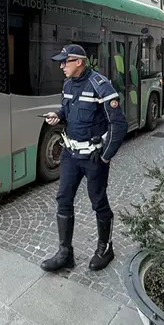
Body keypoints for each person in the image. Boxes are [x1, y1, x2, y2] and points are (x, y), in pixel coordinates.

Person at [41, 44, 128, 272]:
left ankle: (105, 248)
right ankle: (65, 254)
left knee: (98, 201)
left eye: (65, 62)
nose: (61, 66)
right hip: (70, 154)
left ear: (78, 62)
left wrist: (106, 157)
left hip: (93, 157)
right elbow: (67, 109)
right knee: (63, 199)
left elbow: (118, 124)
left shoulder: (101, 86)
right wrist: (57, 115)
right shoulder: (68, 84)